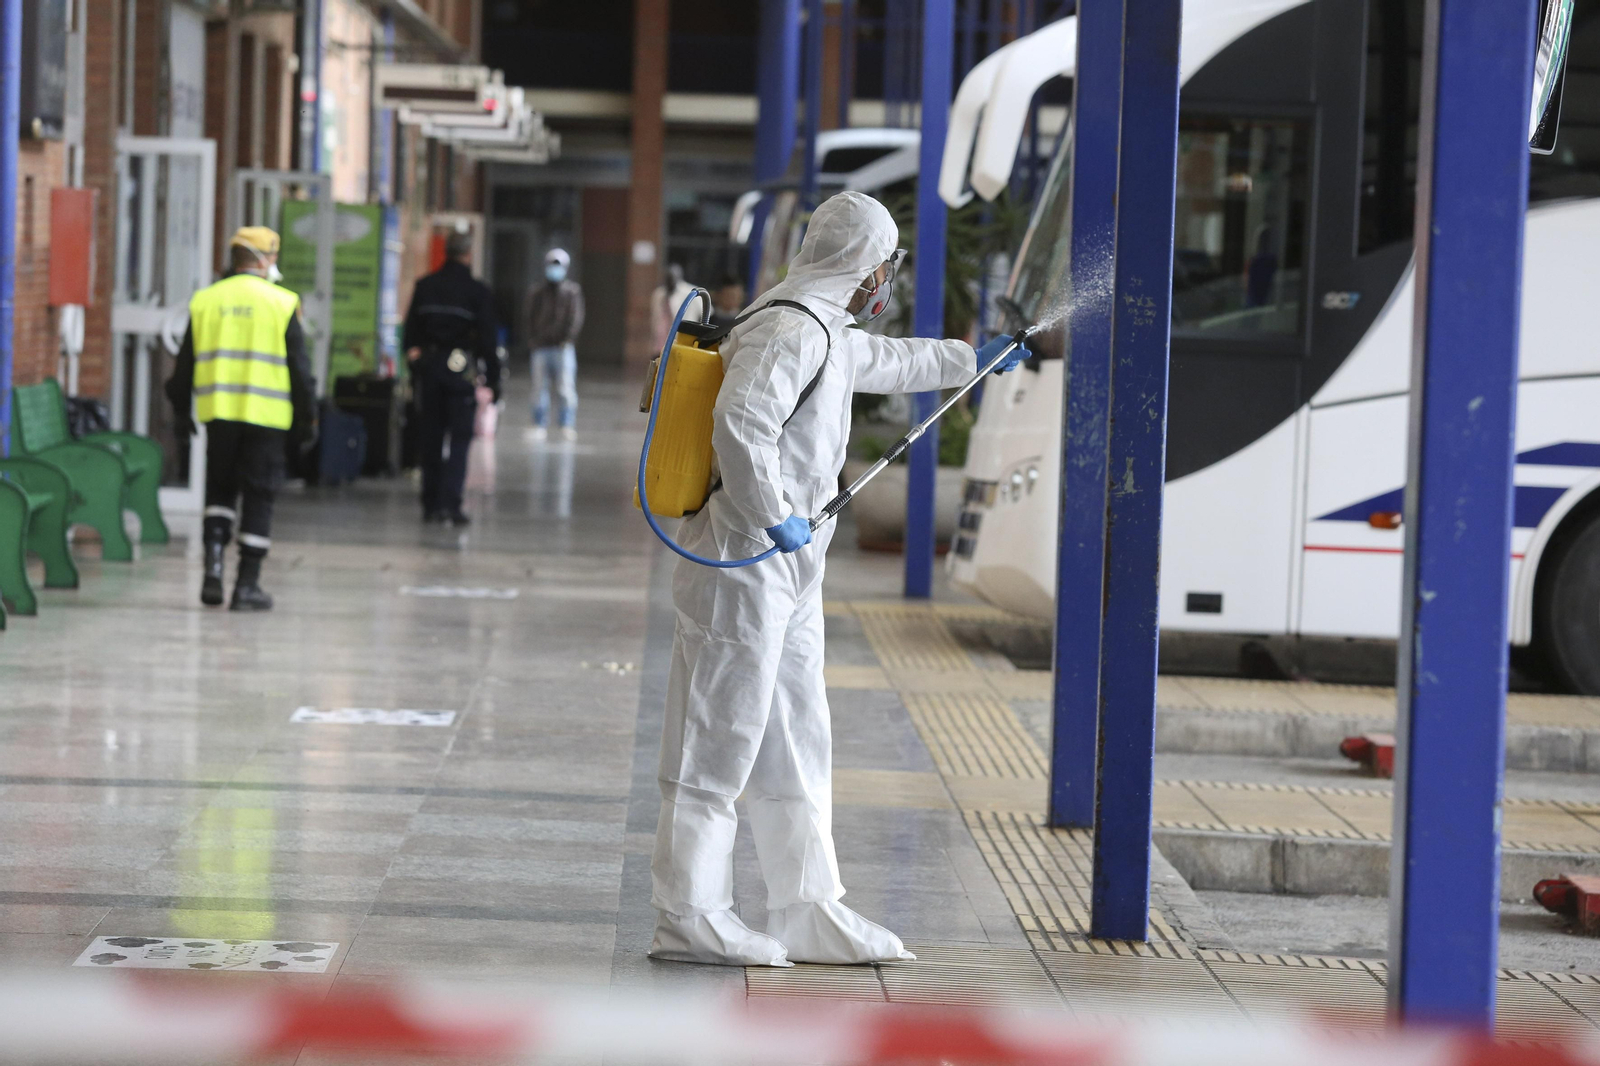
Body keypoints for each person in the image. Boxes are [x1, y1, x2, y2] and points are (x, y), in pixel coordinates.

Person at [650, 191, 1030, 967]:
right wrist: (772, 514)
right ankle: (689, 914)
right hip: (743, 563)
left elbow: (888, 361)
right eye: (884, 264)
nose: (885, 280)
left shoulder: (825, 328)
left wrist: (972, 358)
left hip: (788, 571)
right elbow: (742, 425)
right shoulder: (789, 327)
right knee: (716, 742)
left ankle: (805, 905)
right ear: (865, 264)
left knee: (797, 739)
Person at [165, 226, 317, 612]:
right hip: (267, 419)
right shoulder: (282, 303)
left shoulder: (206, 301)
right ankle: (246, 585)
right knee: (259, 497)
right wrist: (307, 418)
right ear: (266, 260)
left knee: (219, 492)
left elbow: (184, 367)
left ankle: (213, 568)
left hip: (220, 415)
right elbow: (299, 369)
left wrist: (182, 412)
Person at [404, 231, 501, 525]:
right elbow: (487, 342)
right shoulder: (478, 292)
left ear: (446, 252)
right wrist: (494, 383)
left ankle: (430, 504)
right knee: (460, 441)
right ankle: (452, 504)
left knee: (431, 439)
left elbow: (410, 337)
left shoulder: (425, 286)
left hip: (431, 371)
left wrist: (417, 370)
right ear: (469, 254)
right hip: (462, 374)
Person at [523, 248, 585, 443]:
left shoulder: (572, 292)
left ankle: (566, 424)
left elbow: (575, 319)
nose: (554, 269)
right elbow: (529, 317)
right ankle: (538, 424)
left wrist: (567, 338)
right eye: (552, 265)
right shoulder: (537, 292)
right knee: (538, 388)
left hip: (563, 348)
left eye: (558, 266)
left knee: (565, 388)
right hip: (541, 348)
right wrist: (534, 339)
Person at [650, 264, 707, 353]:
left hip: (682, 343)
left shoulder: (691, 293)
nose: (670, 281)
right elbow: (655, 318)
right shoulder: (659, 294)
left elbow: (707, 314)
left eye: (672, 278)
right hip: (661, 343)